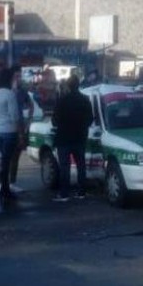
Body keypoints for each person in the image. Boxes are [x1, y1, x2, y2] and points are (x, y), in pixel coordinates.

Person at [52, 74, 93, 202]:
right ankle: (81, 192)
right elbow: (90, 119)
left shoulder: (62, 100)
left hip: (64, 138)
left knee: (65, 166)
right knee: (81, 166)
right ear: (78, 85)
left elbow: (55, 120)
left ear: (68, 86)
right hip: (80, 137)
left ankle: (64, 193)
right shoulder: (85, 99)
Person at [0, 67, 21, 204]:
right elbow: (15, 116)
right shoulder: (9, 94)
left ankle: (3, 188)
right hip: (10, 131)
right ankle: (5, 189)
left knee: (1, 162)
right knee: (7, 162)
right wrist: (20, 133)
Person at [9, 67, 35, 191]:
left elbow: (31, 105)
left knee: (16, 155)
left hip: (19, 126)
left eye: (19, 76)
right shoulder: (6, 91)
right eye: (16, 76)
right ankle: (4, 183)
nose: (18, 79)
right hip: (7, 127)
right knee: (6, 157)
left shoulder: (22, 91)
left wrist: (28, 120)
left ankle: (11, 182)